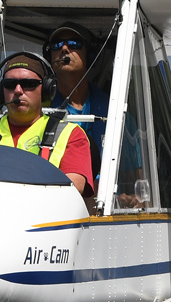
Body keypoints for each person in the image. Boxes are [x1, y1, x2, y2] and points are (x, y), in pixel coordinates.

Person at [0, 52, 93, 198]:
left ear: (46, 90)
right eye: (10, 84)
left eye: (28, 84)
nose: (18, 91)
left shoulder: (71, 135)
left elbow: (73, 189)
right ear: (1, 91)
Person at [45, 26, 145, 208]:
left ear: (89, 56)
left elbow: (135, 182)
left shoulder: (115, 111)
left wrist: (132, 198)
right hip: (58, 205)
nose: (64, 49)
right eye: (57, 45)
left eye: (74, 44)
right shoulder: (39, 111)